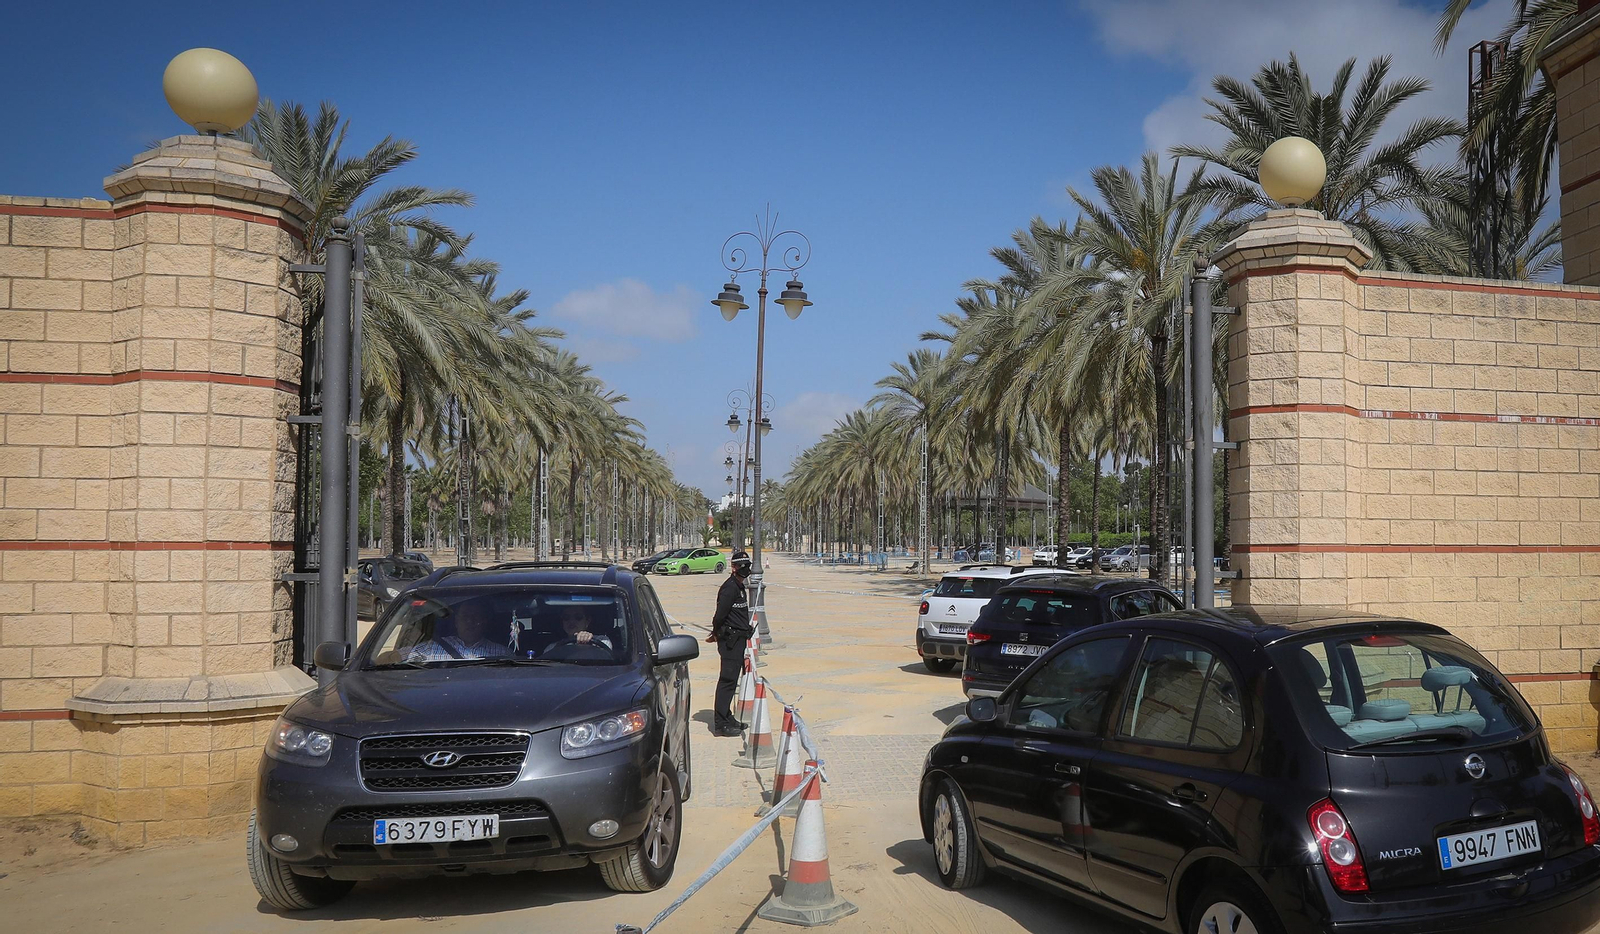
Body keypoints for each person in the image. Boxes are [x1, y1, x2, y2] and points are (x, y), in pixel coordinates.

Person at [706, 550, 754, 736]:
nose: (745, 570)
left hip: (739, 639)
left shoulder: (739, 586)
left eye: (746, 566)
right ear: (733, 568)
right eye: (741, 567)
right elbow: (719, 616)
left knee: (733, 681)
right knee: (727, 681)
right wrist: (716, 633)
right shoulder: (729, 588)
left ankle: (728, 716)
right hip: (730, 641)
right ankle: (720, 723)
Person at [407, 600, 506, 662]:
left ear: (484, 621)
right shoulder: (427, 650)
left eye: (475, 616)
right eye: (465, 616)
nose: (470, 621)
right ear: (456, 622)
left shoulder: (504, 655)